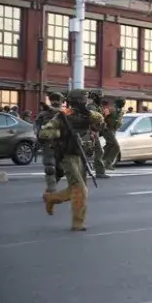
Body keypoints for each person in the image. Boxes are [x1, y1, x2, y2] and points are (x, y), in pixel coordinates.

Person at [40, 89, 104, 231]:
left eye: (86, 100)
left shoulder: (88, 115)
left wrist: (89, 114)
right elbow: (44, 132)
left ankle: (51, 198)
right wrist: (62, 134)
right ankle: (78, 223)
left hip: (82, 155)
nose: (85, 102)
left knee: (74, 189)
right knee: (80, 190)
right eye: (82, 100)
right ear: (76, 101)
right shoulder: (64, 116)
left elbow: (100, 121)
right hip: (67, 156)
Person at [35, 92, 65, 193]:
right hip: (49, 142)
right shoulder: (43, 114)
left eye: (58, 100)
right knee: (49, 166)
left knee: (61, 170)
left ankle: (53, 183)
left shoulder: (64, 113)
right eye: (54, 100)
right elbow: (37, 127)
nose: (56, 102)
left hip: (62, 143)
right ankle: (51, 188)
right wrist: (39, 138)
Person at [87, 90, 110, 178]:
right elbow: (91, 120)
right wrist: (93, 131)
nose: (101, 98)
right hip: (91, 132)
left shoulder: (96, 107)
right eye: (100, 96)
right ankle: (100, 172)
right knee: (97, 151)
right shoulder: (92, 107)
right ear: (95, 97)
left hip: (95, 131)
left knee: (92, 151)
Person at [102, 97, 125, 170]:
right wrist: (103, 124)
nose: (123, 103)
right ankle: (108, 163)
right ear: (117, 103)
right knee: (116, 146)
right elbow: (102, 116)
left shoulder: (121, 111)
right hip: (107, 129)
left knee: (109, 146)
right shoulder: (111, 109)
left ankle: (101, 161)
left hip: (114, 130)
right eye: (121, 102)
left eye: (123, 102)